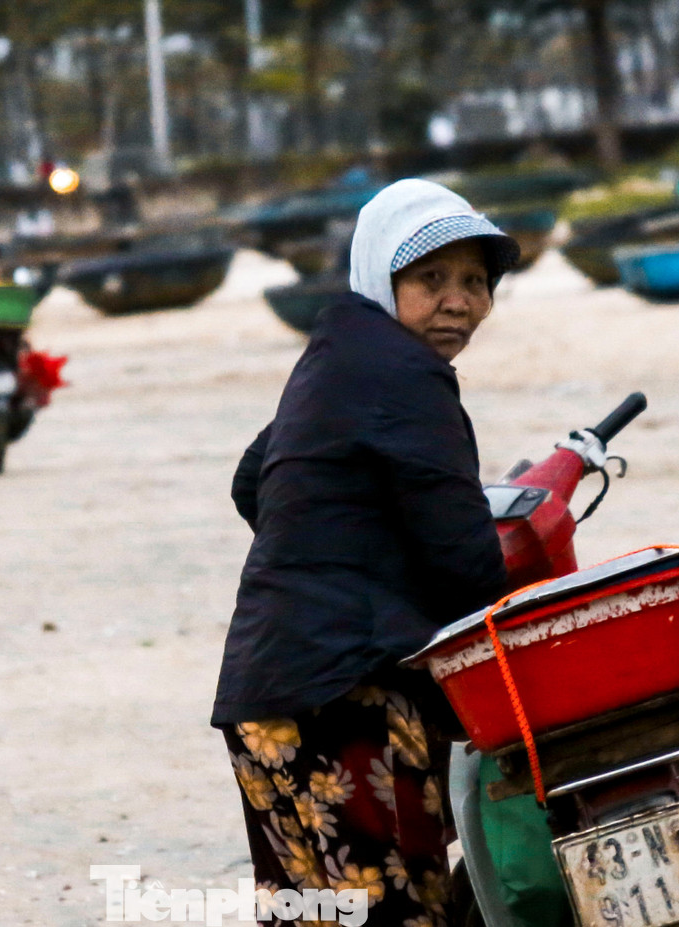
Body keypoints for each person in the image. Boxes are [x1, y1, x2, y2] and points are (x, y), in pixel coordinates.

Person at [212, 178, 521, 926]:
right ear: (381, 273)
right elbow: (466, 561)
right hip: (346, 704)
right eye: (431, 278)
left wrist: (338, 553)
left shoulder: (335, 353)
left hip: (263, 698)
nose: (459, 301)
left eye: (476, 281)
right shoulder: (409, 376)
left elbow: (254, 479)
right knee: (401, 913)